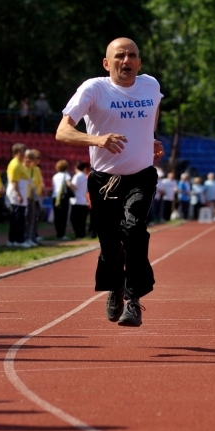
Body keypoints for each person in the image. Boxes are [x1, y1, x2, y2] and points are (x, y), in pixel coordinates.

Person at [55, 37, 164, 328]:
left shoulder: (150, 85)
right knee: (110, 246)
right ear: (106, 63)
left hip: (141, 176)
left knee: (134, 231)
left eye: (132, 56)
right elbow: (63, 132)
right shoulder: (93, 89)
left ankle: (134, 301)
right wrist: (97, 139)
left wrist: (148, 137)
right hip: (105, 181)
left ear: (139, 63)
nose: (125, 61)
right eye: (119, 56)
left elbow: (153, 109)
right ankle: (115, 288)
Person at [5, 143, 31, 248]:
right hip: (16, 194)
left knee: (20, 218)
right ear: (15, 153)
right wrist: (18, 195)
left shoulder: (20, 163)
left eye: (24, 151)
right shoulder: (15, 164)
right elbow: (14, 181)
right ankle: (17, 240)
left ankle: (16, 239)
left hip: (21, 194)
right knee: (17, 218)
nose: (23, 154)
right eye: (21, 152)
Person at [24, 149, 43, 246]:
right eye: (36, 158)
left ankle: (33, 237)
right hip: (29, 196)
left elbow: (39, 182)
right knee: (29, 218)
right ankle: (28, 237)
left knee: (35, 218)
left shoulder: (36, 169)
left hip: (36, 197)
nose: (38, 160)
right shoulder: (27, 169)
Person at [52, 159, 74, 239]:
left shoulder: (55, 176)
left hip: (55, 197)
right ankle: (62, 234)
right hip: (63, 197)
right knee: (63, 216)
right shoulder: (66, 175)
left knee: (57, 215)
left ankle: (58, 233)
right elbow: (69, 184)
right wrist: (74, 187)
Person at [70, 161, 90, 238]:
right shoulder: (85, 176)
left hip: (77, 200)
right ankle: (82, 234)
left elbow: (74, 187)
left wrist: (68, 184)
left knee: (75, 219)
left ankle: (78, 234)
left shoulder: (77, 176)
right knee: (82, 220)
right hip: (83, 200)